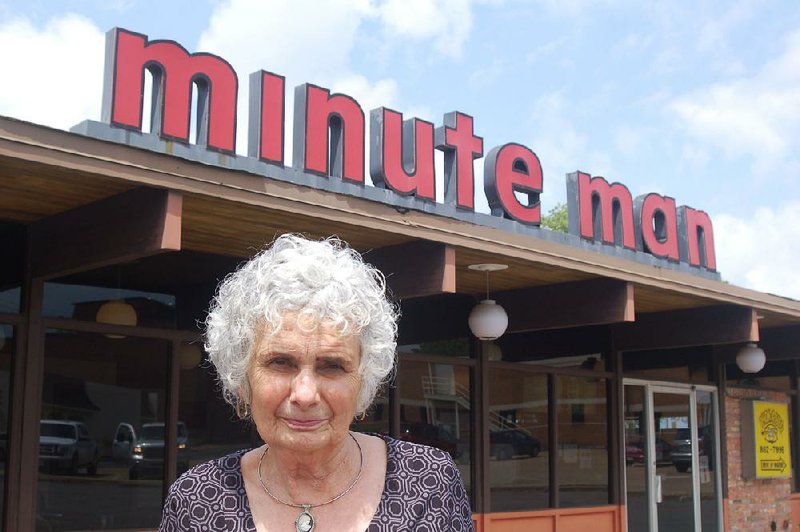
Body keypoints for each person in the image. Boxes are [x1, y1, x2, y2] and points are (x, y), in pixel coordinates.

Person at [160, 234, 473, 531]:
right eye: (281, 363)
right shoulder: (197, 501)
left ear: (363, 381)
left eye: (332, 366)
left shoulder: (429, 484)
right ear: (242, 377)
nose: (305, 395)